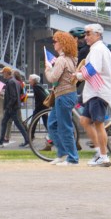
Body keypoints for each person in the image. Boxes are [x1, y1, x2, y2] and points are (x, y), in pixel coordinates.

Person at [75, 23, 111, 167]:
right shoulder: (100, 49)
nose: (85, 37)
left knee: (98, 124)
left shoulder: (98, 49)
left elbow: (93, 69)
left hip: (97, 91)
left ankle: (104, 156)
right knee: (85, 121)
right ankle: (99, 152)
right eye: (85, 34)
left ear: (98, 34)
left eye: (88, 33)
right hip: (95, 91)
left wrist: (78, 75)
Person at [45, 31, 80, 165]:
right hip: (68, 95)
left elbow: (53, 78)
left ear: (62, 43)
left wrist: (48, 69)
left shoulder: (61, 60)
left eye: (55, 41)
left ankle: (72, 158)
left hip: (63, 96)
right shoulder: (71, 58)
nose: (54, 43)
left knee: (64, 127)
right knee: (53, 124)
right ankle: (62, 153)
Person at [0, 67, 30, 147]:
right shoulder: (16, 82)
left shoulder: (10, 82)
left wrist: (8, 106)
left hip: (11, 107)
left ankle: (27, 140)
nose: (2, 74)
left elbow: (13, 97)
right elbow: (20, 93)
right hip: (15, 106)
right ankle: (1, 141)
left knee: (16, 124)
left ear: (6, 73)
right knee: (6, 122)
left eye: (3, 73)